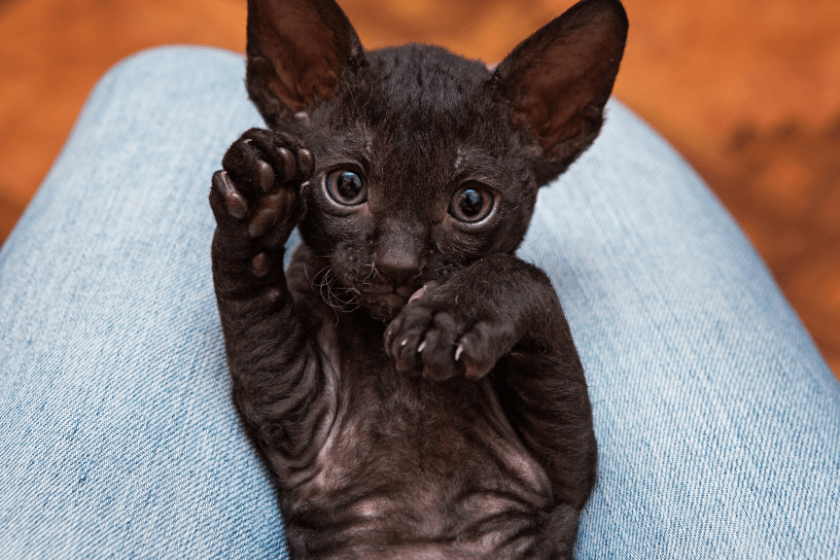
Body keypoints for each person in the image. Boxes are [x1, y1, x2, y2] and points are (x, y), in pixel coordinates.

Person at [1, 47, 837, 559]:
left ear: (554, 133)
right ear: (285, 89)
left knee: (155, 81)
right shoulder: (319, 306)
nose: (400, 257)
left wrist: (515, 294)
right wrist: (247, 255)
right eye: (349, 184)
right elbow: (281, 401)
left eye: (468, 205)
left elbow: (563, 473)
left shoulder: (491, 370)